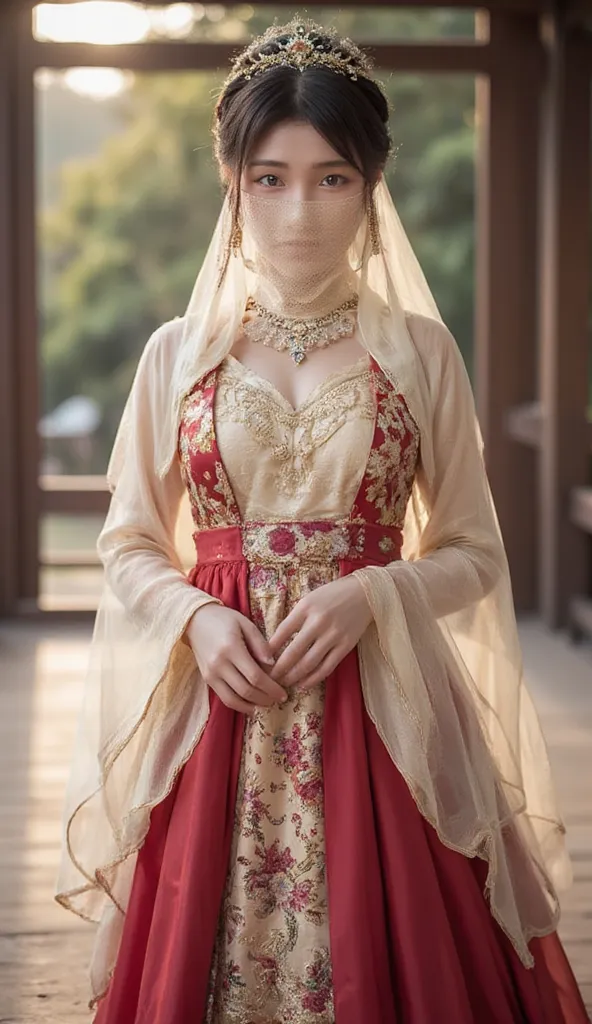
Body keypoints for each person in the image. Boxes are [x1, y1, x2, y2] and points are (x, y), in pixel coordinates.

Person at [55, 20, 589, 1024]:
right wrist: (198, 617)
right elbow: (127, 539)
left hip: (385, 699)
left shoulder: (421, 352)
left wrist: (374, 590)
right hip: (221, 696)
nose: (298, 209)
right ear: (232, 181)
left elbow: (473, 550)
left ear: (370, 184)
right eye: (269, 177)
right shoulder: (178, 354)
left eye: (331, 178)